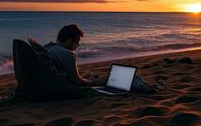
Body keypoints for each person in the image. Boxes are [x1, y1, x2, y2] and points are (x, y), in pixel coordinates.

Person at [28, 24, 156, 93]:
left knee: (101, 76)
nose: (76, 47)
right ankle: (143, 87)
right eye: (76, 43)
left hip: (49, 86)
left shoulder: (48, 49)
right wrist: (90, 82)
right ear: (68, 40)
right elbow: (77, 82)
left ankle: (141, 85)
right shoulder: (67, 54)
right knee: (115, 76)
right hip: (72, 87)